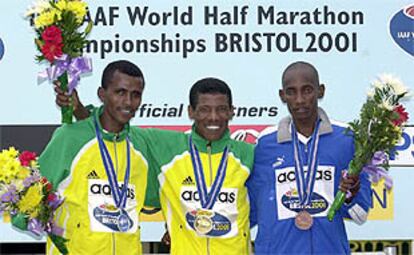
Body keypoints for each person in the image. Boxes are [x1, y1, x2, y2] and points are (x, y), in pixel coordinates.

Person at [56, 77, 255, 255]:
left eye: (221, 109)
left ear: (232, 111)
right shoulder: (166, 146)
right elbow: (111, 130)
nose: (213, 117)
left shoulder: (249, 153)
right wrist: (80, 110)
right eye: (204, 109)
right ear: (191, 112)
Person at [247, 61, 372, 254]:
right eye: (291, 92)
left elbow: (360, 215)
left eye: (307, 90)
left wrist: (351, 195)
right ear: (282, 95)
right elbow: (248, 212)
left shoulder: (346, 141)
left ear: (320, 91)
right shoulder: (264, 146)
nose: (299, 100)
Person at [39, 60, 159, 255]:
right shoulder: (70, 138)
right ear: (102, 95)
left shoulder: (141, 144)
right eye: (120, 92)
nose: (128, 102)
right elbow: (32, 195)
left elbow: (166, 191)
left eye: (135, 95)